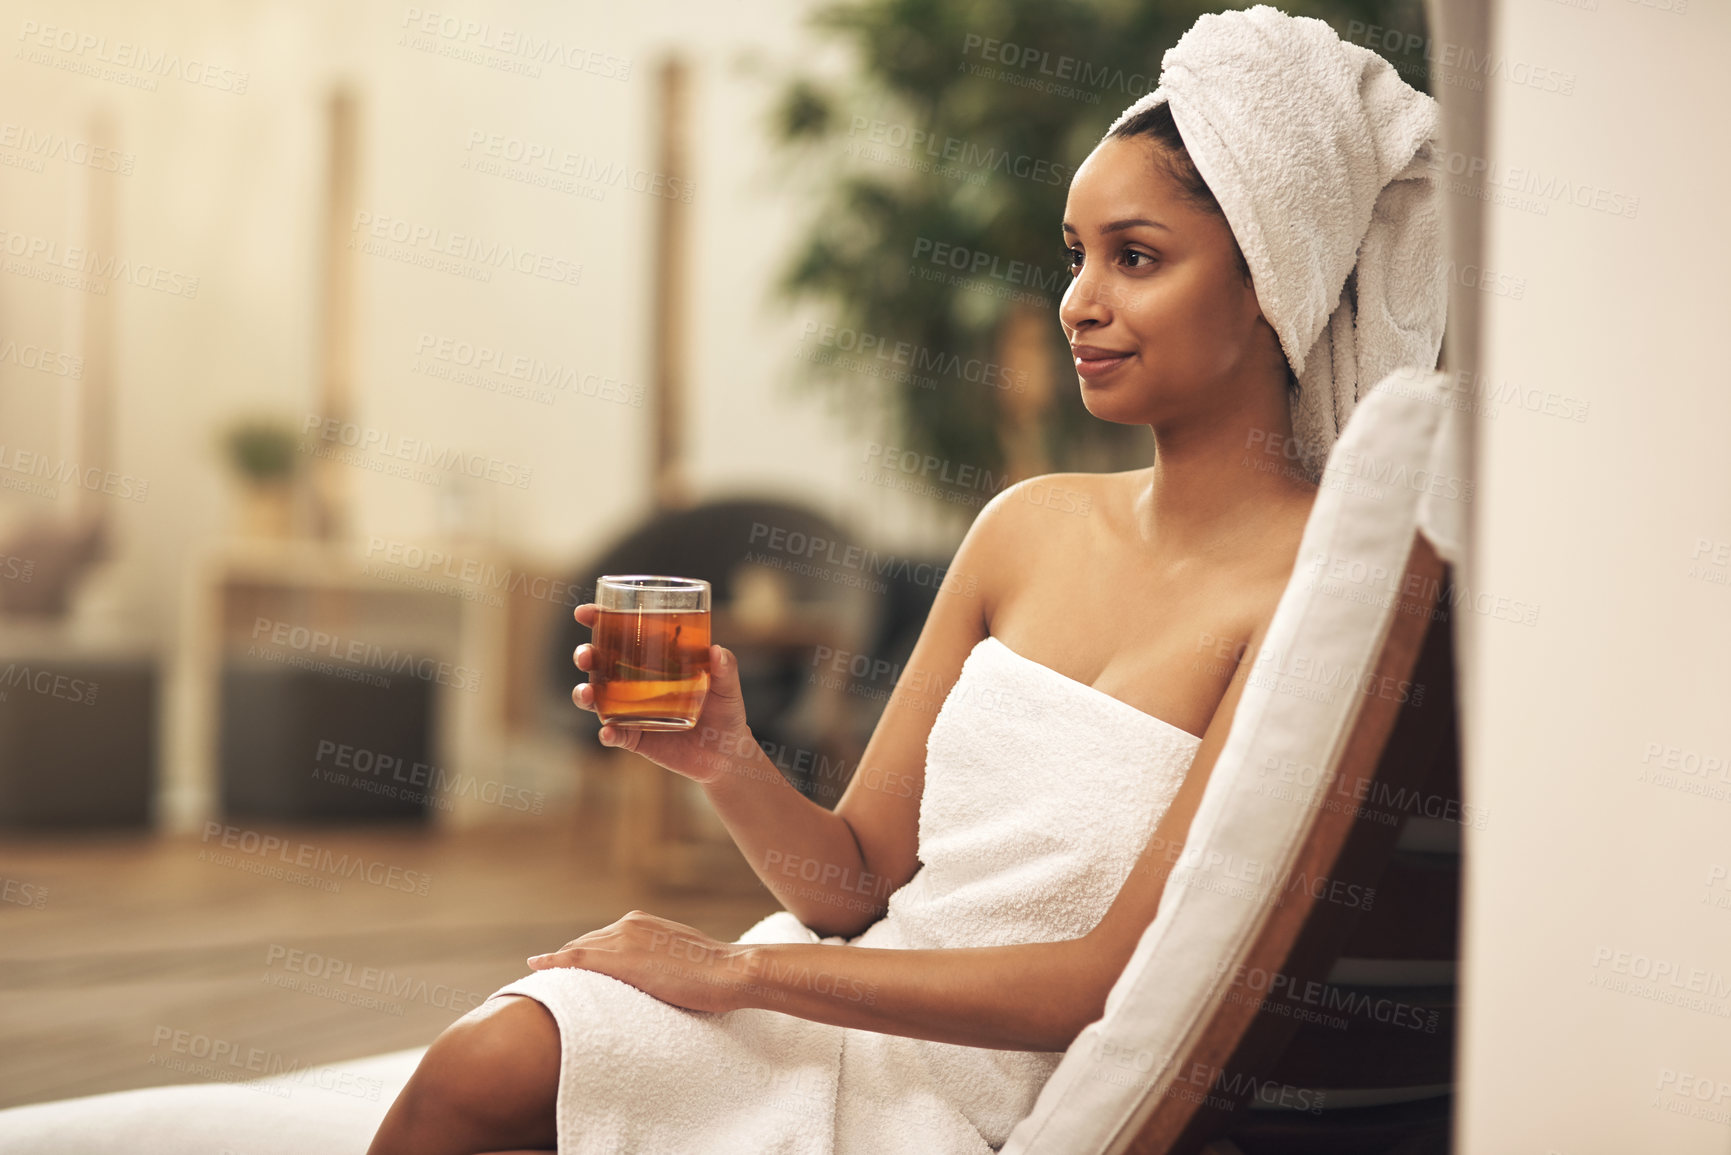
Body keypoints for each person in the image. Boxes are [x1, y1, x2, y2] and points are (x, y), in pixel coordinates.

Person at [367, 8, 1440, 1153]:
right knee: (490, 1056)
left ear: (1269, 281)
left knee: (503, 1072)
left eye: (1136, 257)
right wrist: (729, 760)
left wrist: (737, 969)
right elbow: (859, 883)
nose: (1080, 301)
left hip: (979, 1087)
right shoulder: (1025, 528)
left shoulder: (1316, 597)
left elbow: (1114, 982)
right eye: (1074, 255)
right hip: (843, 1003)